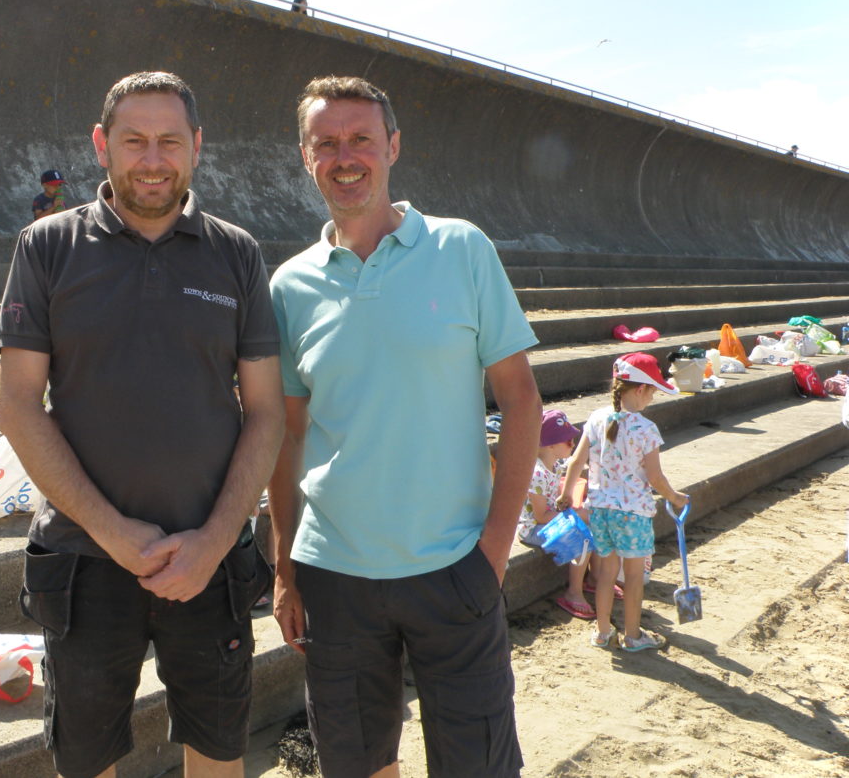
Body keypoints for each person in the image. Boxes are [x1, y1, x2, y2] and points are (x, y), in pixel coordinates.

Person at [0, 71, 283, 778]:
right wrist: (113, 532)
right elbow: (18, 406)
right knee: (86, 760)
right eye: (134, 141)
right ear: (102, 145)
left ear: (196, 148)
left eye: (169, 141)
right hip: (85, 559)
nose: (152, 159)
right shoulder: (46, 248)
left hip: (209, 560)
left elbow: (268, 410)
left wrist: (215, 541)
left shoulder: (237, 253)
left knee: (219, 753)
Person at [269, 75, 541, 777]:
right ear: (305, 156)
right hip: (332, 575)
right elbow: (288, 434)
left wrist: (494, 551)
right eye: (326, 143)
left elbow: (519, 400)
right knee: (356, 765)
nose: (345, 156)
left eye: (361, 138)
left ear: (392, 146)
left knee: (478, 766)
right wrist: (284, 569)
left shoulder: (462, 249)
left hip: (454, 568)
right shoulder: (289, 286)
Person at [557, 352, 689, 653]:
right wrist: (674, 497)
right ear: (641, 389)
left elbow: (576, 461)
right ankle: (632, 635)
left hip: (600, 510)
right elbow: (654, 477)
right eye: (652, 392)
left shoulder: (597, 418)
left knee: (604, 574)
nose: (652, 398)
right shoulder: (646, 429)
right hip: (633, 514)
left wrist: (566, 494)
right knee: (632, 578)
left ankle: (603, 631)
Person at [519, 410, 595, 619]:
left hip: (548, 518)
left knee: (595, 520)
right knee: (581, 537)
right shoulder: (538, 474)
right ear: (551, 445)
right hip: (532, 527)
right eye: (568, 442)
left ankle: (594, 579)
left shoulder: (555, 465)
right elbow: (541, 516)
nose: (572, 445)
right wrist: (572, 514)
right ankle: (573, 593)